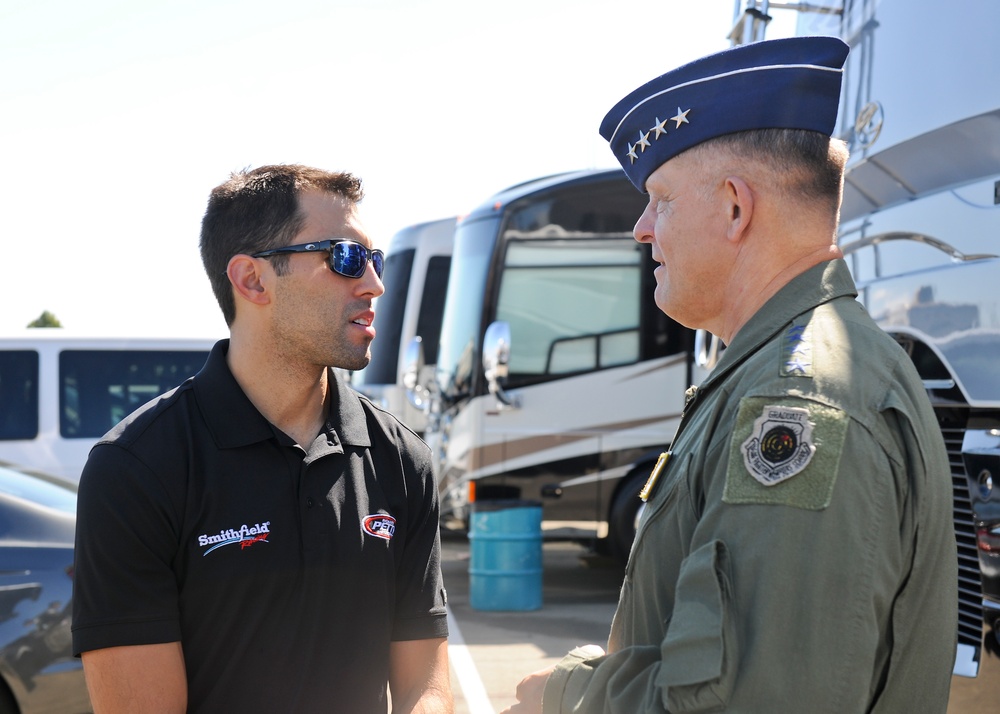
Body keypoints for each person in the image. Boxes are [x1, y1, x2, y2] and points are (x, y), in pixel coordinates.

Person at [503, 36, 958, 713]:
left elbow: (751, 699)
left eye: (660, 198)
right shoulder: (782, 370)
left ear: (735, 208)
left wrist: (567, 693)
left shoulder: (796, 400)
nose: (640, 228)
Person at [72, 165, 453, 713]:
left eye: (376, 260)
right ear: (252, 280)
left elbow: (427, 687)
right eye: (345, 257)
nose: (374, 283)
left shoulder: (401, 460)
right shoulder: (136, 469)